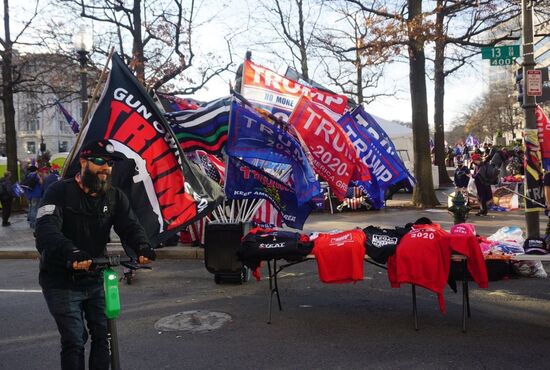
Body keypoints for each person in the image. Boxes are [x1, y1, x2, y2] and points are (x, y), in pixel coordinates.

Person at [35, 140, 156, 370]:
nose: (105, 168)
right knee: (75, 340)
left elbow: (130, 226)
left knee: (104, 336)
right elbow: (45, 229)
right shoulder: (59, 192)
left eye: (109, 163)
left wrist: (142, 246)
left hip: (96, 277)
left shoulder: (114, 196)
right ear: (83, 162)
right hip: (61, 279)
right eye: (99, 161)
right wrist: (71, 252)